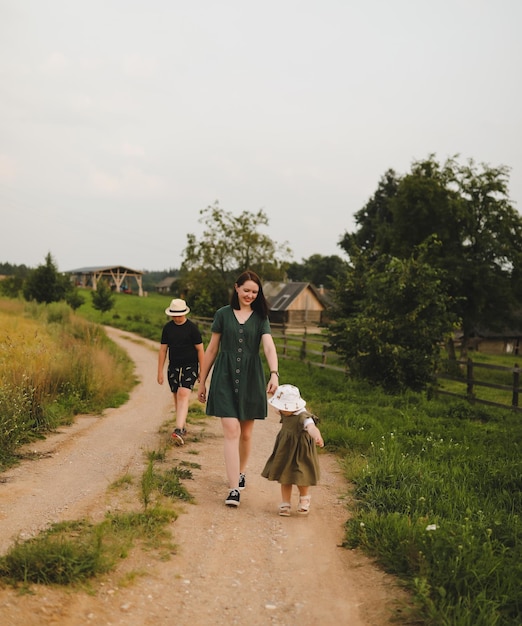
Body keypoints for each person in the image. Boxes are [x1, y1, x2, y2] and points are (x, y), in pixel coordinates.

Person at [198, 270, 279, 507]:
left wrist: (274, 372)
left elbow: (269, 347)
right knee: (231, 431)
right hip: (223, 376)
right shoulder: (222, 314)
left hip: (251, 379)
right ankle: (234, 488)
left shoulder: (261, 317)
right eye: (247, 290)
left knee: (246, 433)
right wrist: (202, 381)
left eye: (255, 292)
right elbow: (212, 349)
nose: (250, 295)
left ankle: (241, 471)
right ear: (236, 288)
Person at [261, 384, 324, 516]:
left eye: (283, 407)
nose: (280, 410)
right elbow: (278, 409)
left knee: (301, 475)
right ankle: (285, 503)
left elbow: (311, 427)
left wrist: (317, 436)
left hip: (301, 452)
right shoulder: (285, 412)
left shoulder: (304, 416)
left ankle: (304, 499)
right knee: (284, 476)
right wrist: (275, 395)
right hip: (286, 449)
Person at [158, 298, 205, 445]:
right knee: (176, 396)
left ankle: (178, 429)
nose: (177, 317)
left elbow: (200, 350)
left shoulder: (192, 328)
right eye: (174, 314)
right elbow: (163, 350)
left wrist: (202, 371)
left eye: (179, 314)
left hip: (190, 365)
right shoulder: (167, 328)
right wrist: (159, 371)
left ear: (184, 313)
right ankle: (182, 425)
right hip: (174, 367)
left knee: (183, 394)